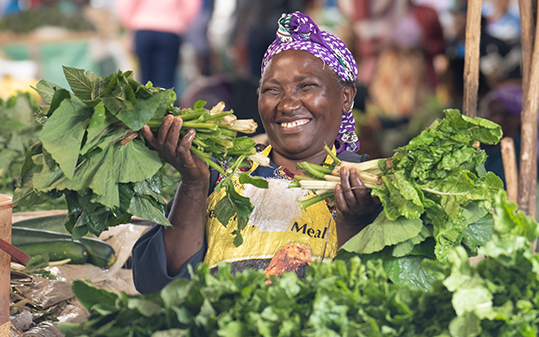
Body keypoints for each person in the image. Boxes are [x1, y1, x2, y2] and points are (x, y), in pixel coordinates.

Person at [132, 11, 381, 294]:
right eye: (272, 90)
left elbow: (372, 298)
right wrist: (192, 187)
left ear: (346, 96)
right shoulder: (221, 174)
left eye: (307, 86)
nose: (287, 105)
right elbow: (156, 287)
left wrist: (356, 222)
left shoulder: (370, 187)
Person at [114, 0, 202, 90]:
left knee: (145, 80)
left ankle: (146, 102)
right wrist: (180, 21)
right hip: (170, 29)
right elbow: (191, 5)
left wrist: (129, 22)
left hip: (143, 27)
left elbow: (126, 4)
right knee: (166, 82)